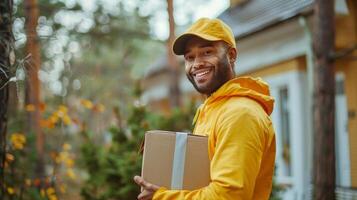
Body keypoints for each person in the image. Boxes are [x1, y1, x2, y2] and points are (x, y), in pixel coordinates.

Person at [134, 18, 276, 200]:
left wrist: (162, 196)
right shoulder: (212, 109)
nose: (196, 64)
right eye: (189, 57)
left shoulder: (240, 114)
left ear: (231, 55)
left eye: (207, 52)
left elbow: (229, 196)